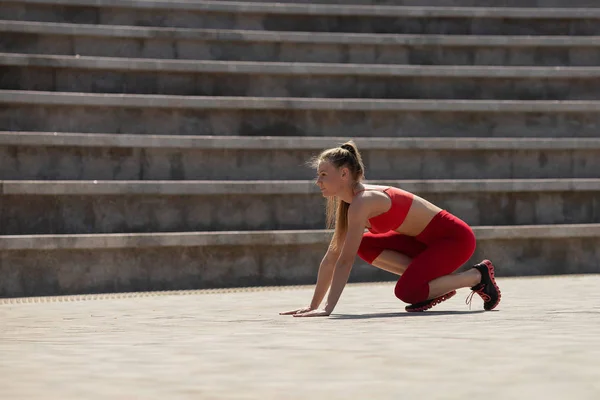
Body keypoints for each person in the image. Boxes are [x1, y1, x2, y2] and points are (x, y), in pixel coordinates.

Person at [280, 140, 501, 317]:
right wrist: (313, 305)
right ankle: (434, 284)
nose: (318, 181)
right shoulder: (350, 204)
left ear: (344, 174)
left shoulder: (363, 201)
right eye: (318, 175)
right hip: (424, 244)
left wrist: (327, 309)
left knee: (406, 292)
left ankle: (476, 276)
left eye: (324, 175)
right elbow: (332, 256)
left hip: (455, 241)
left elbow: (344, 262)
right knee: (364, 244)